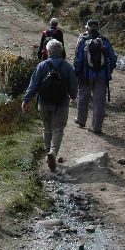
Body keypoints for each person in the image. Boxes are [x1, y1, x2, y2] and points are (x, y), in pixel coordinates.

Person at [22, 39, 78, 171]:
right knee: (58, 129)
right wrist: (73, 96)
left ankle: (48, 153)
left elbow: (33, 85)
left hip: (44, 102)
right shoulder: (67, 67)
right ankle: (52, 152)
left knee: (46, 128)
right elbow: (74, 86)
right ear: (61, 52)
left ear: (48, 52)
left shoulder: (41, 66)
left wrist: (26, 100)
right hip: (61, 103)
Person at [73, 19, 117, 134]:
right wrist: (108, 71)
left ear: (87, 27)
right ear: (98, 28)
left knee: (83, 97)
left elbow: (78, 59)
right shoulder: (105, 41)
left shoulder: (83, 40)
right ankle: (97, 127)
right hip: (102, 76)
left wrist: (77, 73)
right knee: (99, 101)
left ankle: (81, 120)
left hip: (86, 75)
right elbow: (113, 59)